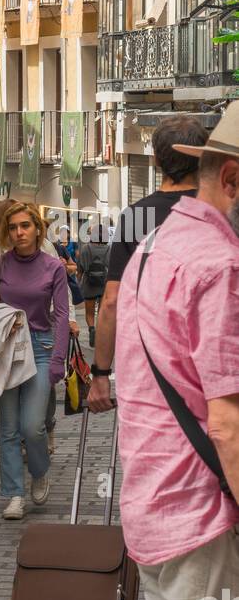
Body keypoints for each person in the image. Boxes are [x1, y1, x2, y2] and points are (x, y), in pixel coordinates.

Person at [114, 110, 239, 600]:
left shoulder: (153, 246)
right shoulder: (222, 264)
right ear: (232, 180)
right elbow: (227, 423)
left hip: (152, 500)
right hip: (201, 510)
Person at [89, 114, 208, 413]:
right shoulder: (221, 211)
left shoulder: (136, 216)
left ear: (156, 159)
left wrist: (101, 373)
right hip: (211, 360)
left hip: (152, 363)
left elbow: (112, 300)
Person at [0, 201, 69, 520]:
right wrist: (2, 318)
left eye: (25, 226)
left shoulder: (53, 267)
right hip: (6, 351)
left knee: (33, 427)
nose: (19, 232)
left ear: (37, 229)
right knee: (8, 428)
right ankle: (14, 493)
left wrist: (58, 358)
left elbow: (62, 314)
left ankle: (40, 470)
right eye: (13, 227)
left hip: (41, 349)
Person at [77, 218, 110, 348]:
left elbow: (80, 269)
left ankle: (91, 329)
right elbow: (111, 267)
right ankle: (101, 335)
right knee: (102, 312)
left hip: (89, 284)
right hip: (104, 283)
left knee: (89, 312)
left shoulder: (85, 248)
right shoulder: (109, 248)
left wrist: (79, 283)